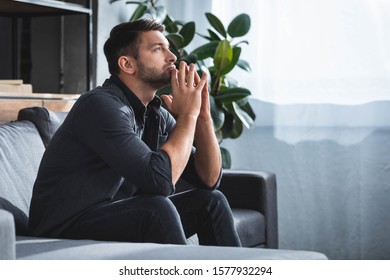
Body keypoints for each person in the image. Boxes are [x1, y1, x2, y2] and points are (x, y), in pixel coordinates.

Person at [28, 19, 241, 247]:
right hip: (64, 229)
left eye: (168, 48)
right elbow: (160, 183)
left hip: (114, 217)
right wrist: (187, 116)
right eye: (158, 49)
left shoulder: (154, 113)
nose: (172, 57)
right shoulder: (100, 105)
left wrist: (202, 115)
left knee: (211, 202)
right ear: (127, 64)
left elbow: (208, 180)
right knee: (156, 207)